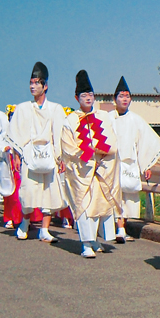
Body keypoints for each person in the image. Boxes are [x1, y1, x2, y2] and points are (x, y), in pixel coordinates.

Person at [60, 70, 123, 258]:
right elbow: (67, 148)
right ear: (76, 98)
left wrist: (100, 154)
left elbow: (112, 142)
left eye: (90, 94)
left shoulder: (103, 116)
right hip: (81, 170)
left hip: (102, 168)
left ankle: (94, 239)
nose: (88, 98)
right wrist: (84, 155)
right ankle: (86, 244)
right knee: (84, 206)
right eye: (84, 95)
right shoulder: (70, 120)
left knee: (99, 206)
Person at [7, 62, 66, 242]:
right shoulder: (23, 108)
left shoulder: (55, 108)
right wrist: (17, 155)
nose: (33, 86)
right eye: (31, 83)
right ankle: (24, 223)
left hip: (49, 154)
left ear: (45, 86)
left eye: (37, 83)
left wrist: (60, 157)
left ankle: (45, 230)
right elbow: (16, 132)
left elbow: (59, 134)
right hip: (29, 153)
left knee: (49, 190)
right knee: (28, 189)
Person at [109, 77, 160, 243]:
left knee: (128, 198)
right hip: (112, 164)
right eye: (121, 96)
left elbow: (145, 142)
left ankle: (122, 227)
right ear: (115, 99)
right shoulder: (108, 118)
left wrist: (146, 165)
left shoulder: (136, 119)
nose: (125, 99)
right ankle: (118, 228)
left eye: (127, 96)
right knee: (114, 197)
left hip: (129, 164)